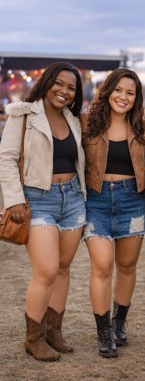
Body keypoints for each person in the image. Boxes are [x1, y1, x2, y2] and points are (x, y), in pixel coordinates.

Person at [0, 62, 86, 361]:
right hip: (37, 200)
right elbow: (7, 159)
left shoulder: (73, 119)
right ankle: (33, 338)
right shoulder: (22, 115)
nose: (64, 91)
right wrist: (14, 200)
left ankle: (53, 332)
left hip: (73, 199)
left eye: (71, 87)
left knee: (63, 269)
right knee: (46, 270)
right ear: (48, 82)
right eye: (59, 83)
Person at [81, 68, 145, 358]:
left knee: (127, 265)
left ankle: (120, 322)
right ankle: (104, 331)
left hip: (133, 200)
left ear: (136, 98)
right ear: (107, 91)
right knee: (103, 266)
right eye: (118, 90)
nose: (123, 97)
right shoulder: (86, 123)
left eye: (130, 93)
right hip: (96, 200)